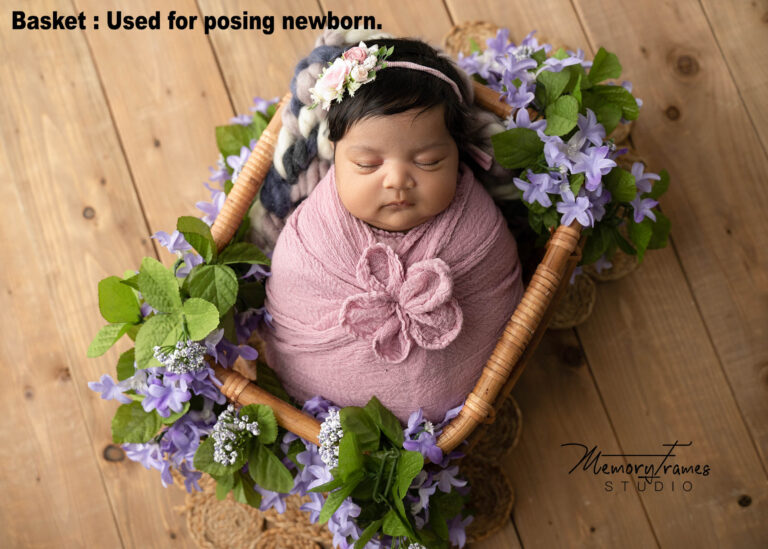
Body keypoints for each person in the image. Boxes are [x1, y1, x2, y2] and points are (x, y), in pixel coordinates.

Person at [254, 35, 524, 423]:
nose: (398, 179)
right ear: (336, 159)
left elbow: (499, 300)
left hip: (459, 401)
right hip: (325, 401)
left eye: (429, 161)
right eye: (367, 164)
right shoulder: (311, 235)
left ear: (458, 154)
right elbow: (291, 289)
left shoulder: (478, 231)